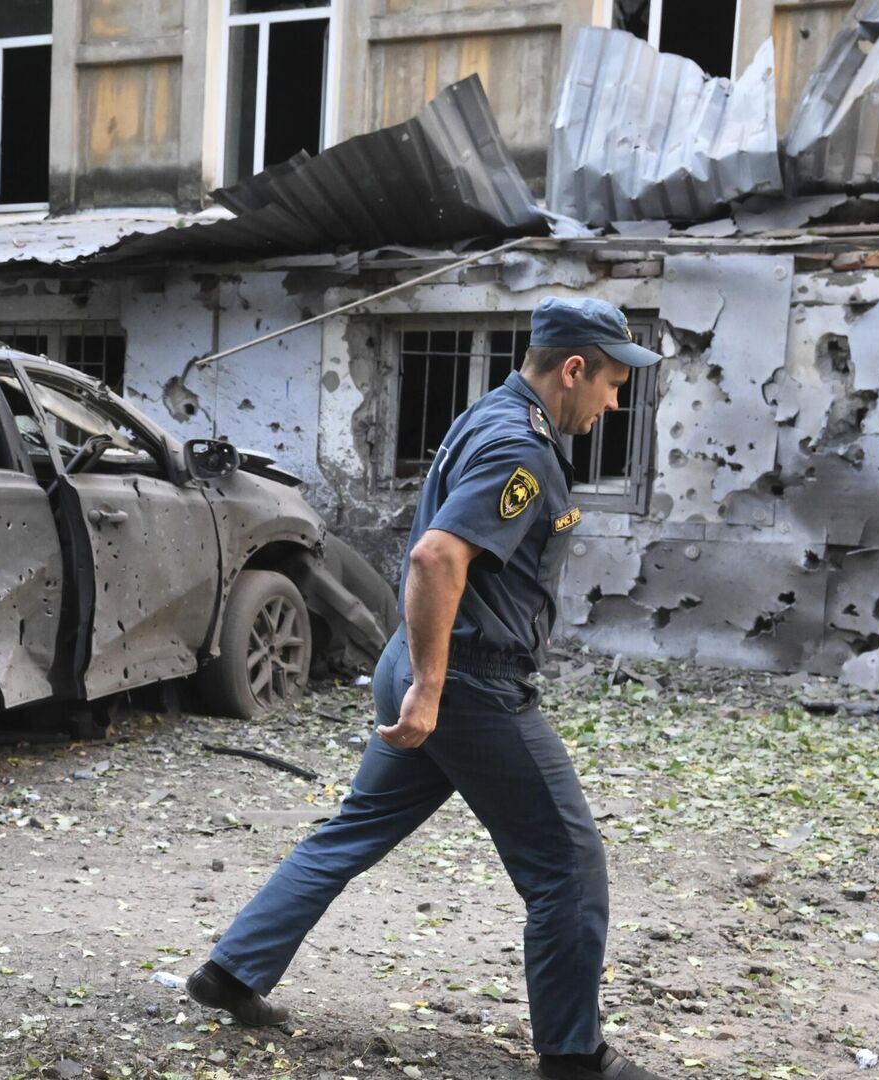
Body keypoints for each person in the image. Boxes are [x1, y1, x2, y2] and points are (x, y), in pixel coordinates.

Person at [186, 297, 670, 1080]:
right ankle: (575, 1059)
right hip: (471, 686)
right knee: (569, 868)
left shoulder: (491, 414)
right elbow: (436, 558)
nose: (614, 403)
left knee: (351, 830)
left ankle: (231, 970)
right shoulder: (519, 445)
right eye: (612, 384)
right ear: (573, 368)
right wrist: (434, 691)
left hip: (422, 668)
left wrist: (420, 681)